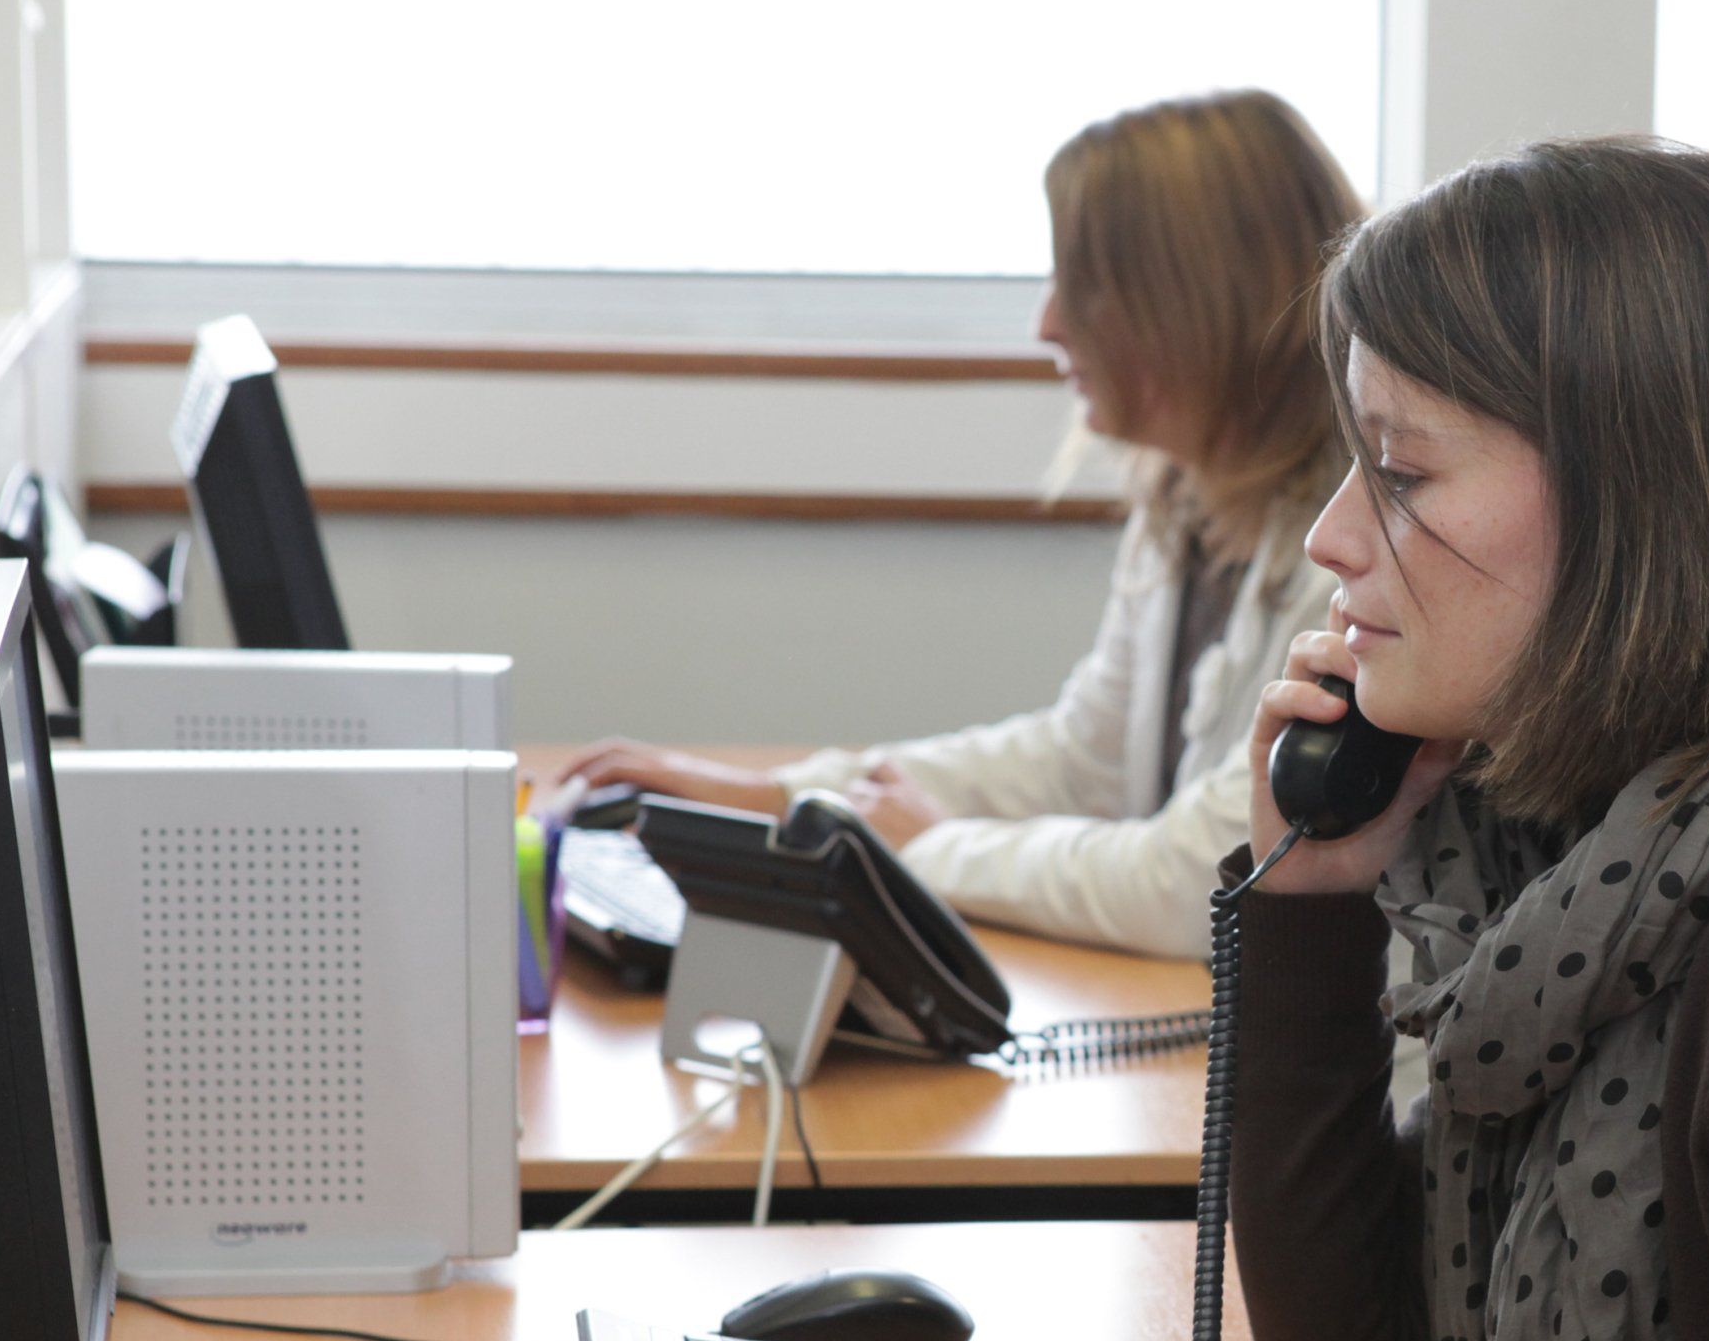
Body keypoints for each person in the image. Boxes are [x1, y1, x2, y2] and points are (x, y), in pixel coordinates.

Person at [869, 135, 1709, 1341]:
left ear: (1652, 505)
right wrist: (1312, 892)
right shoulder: (1572, 860)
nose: (1335, 542)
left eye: (1405, 475)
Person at [560, 89, 1359, 963]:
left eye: (1085, 289)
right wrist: (792, 800)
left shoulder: (1352, 553)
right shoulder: (1189, 505)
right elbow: (1078, 764)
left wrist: (926, 850)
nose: (1047, 323)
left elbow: (1201, 878)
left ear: (1193, 302)